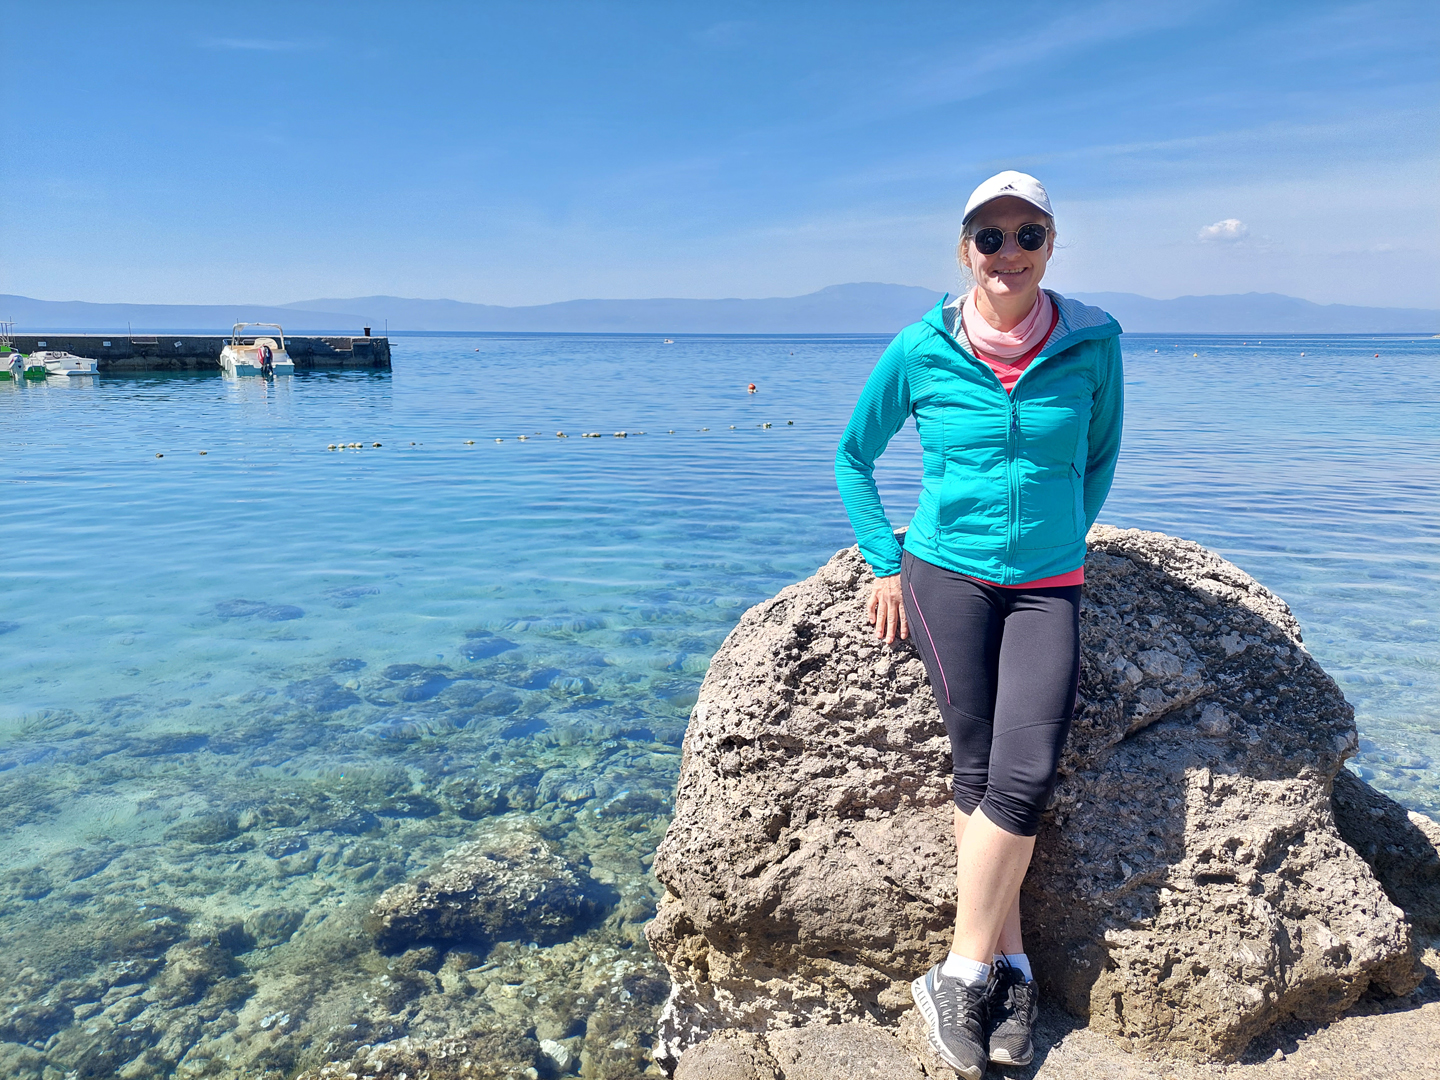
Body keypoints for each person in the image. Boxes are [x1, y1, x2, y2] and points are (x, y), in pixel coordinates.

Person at [834, 171, 1123, 1078]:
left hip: (1048, 583)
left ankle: (960, 971)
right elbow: (853, 456)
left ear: (1050, 245)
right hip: (945, 574)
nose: (1009, 252)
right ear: (965, 252)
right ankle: (1013, 970)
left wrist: (1060, 537)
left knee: (1023, 777)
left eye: (1027, 234)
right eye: (989, 237)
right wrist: (884, 562)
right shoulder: (920, 347)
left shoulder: (1093, 343)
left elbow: (1100, 455)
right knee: (976, 770)